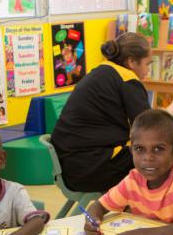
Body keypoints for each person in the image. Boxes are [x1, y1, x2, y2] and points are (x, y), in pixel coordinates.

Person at [83, 109, 173, 235]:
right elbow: (98, 206)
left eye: (158, 149)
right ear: (131, 152)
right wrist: (92, 221)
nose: (148, 157)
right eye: (139, 149)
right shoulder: (133, 180)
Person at [52, 32, 152, 193]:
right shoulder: (127, 79)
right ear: (132, 61)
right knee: (155, 161)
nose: (148, 70)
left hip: (72, 167)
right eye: (148, 64)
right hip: (91, 169)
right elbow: (150, 126)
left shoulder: (102, 70)